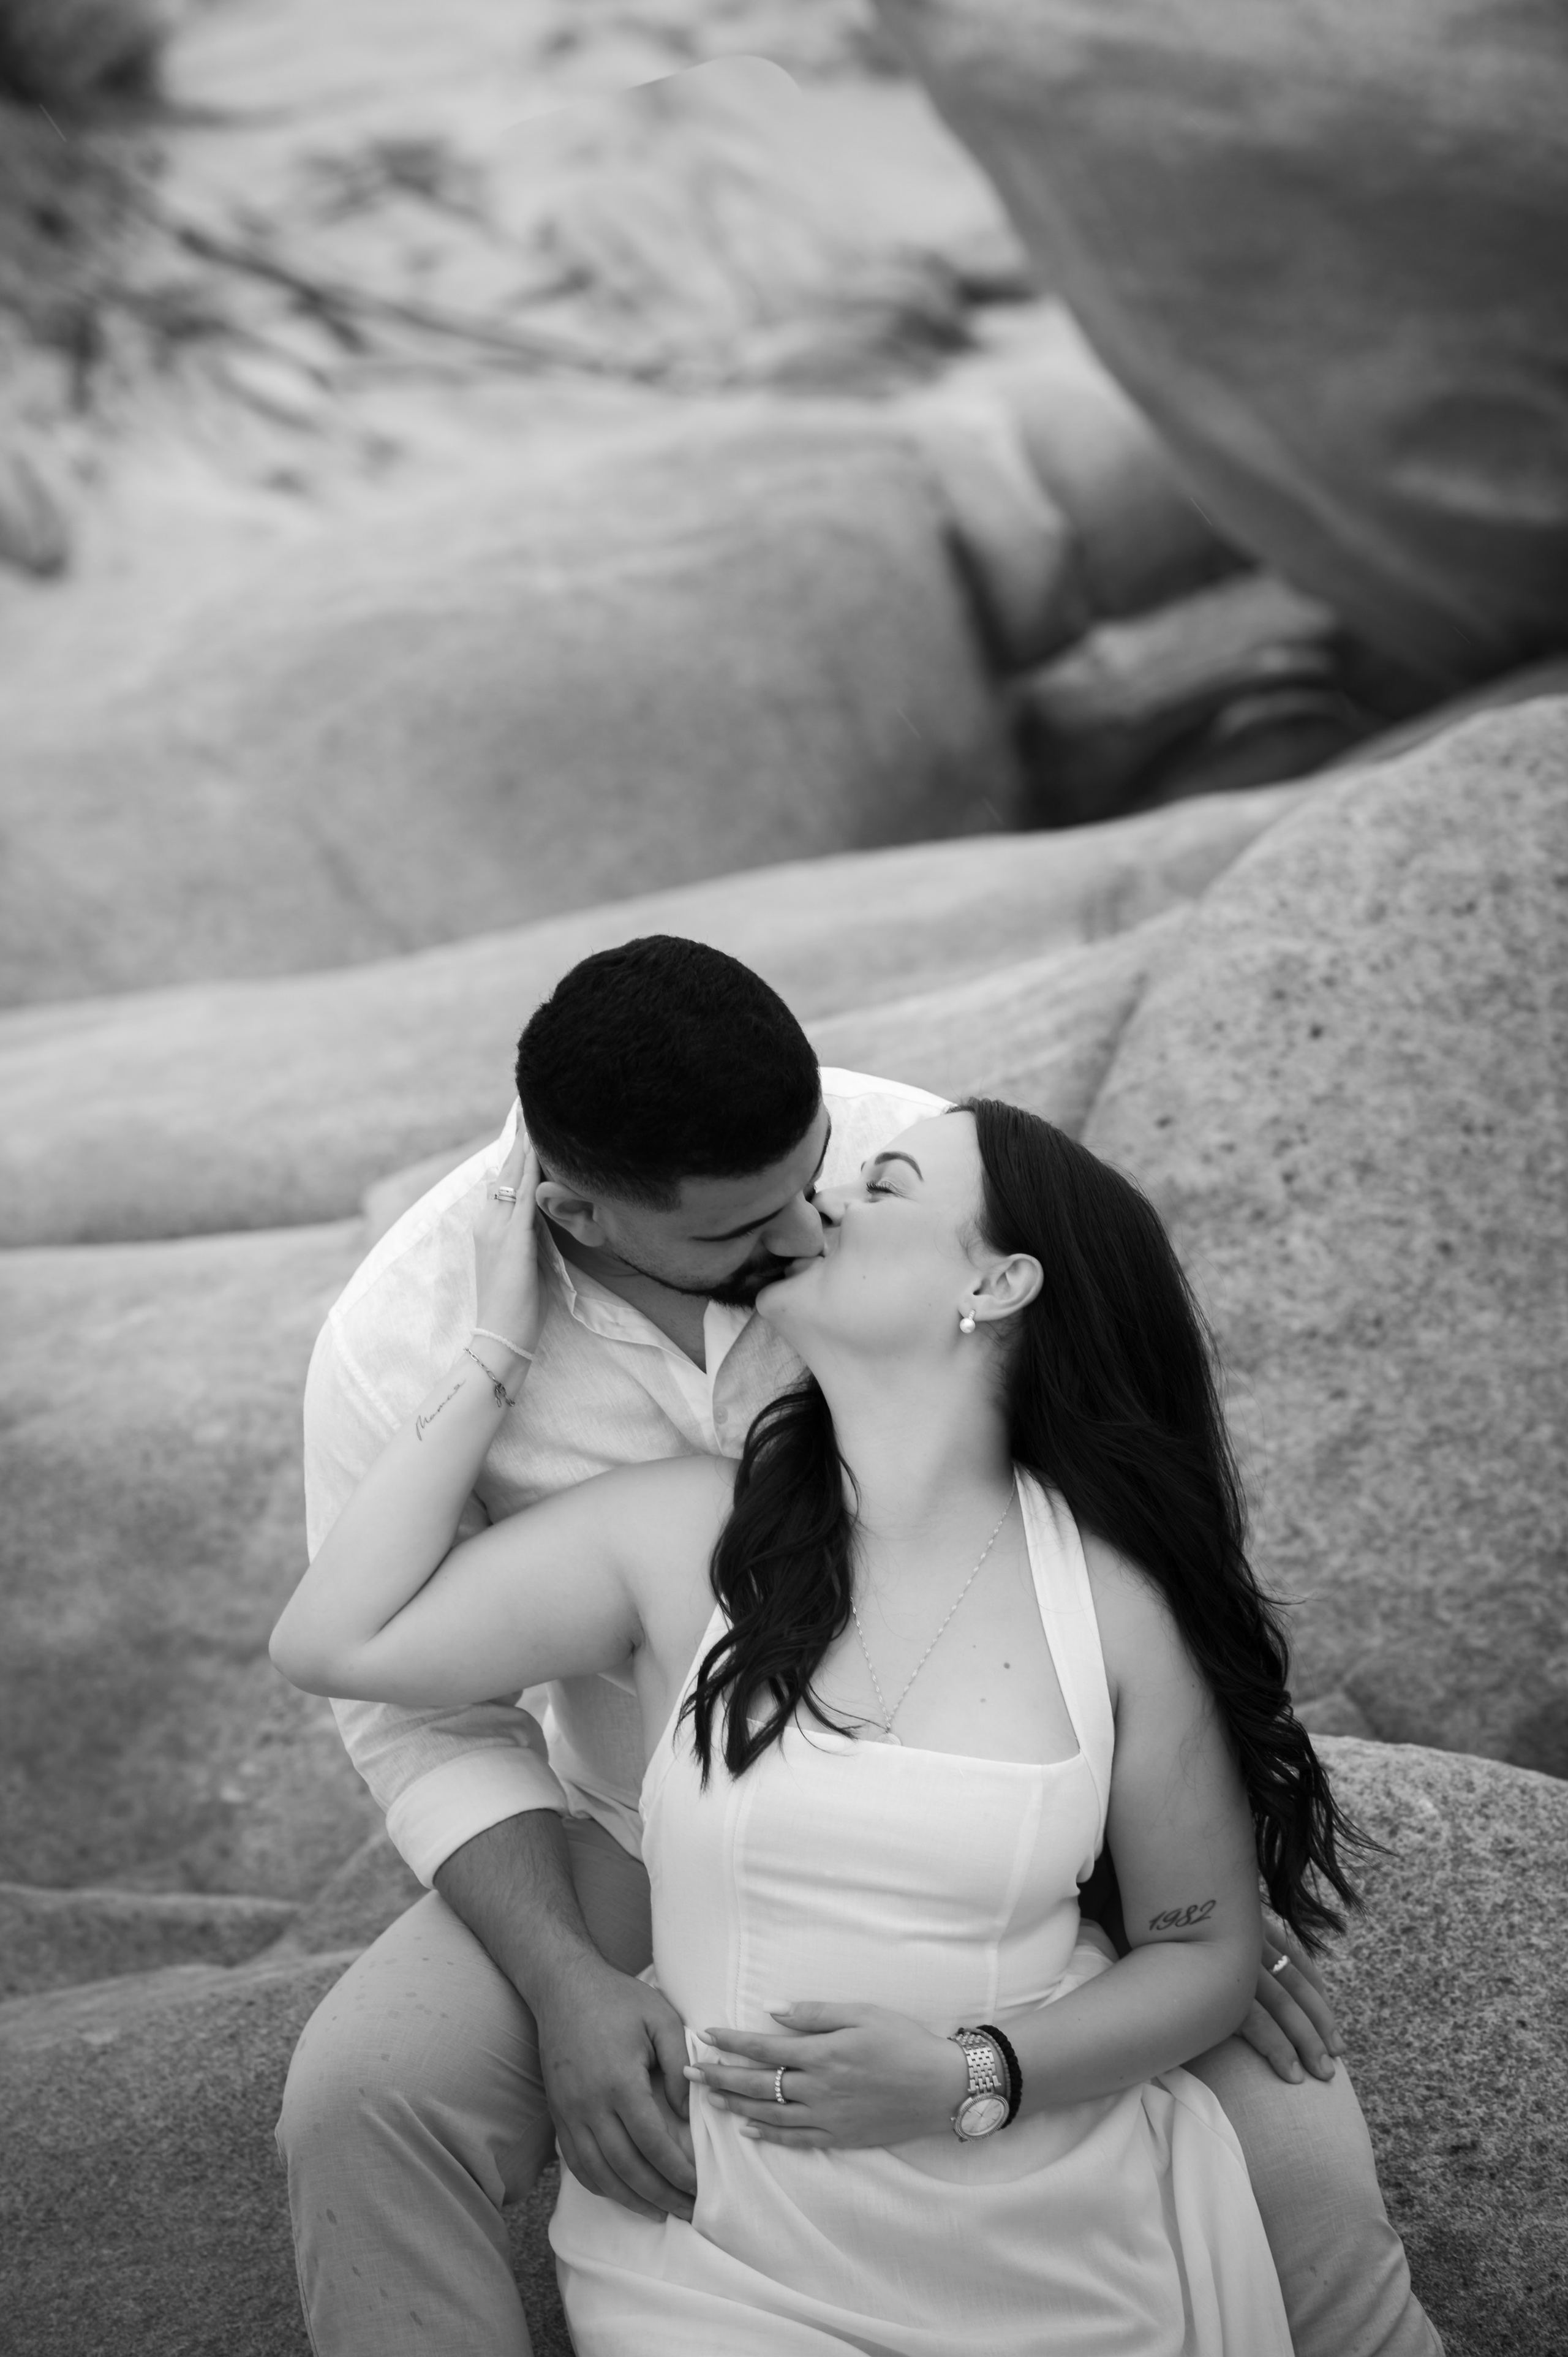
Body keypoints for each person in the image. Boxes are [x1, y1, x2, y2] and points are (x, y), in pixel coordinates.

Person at [276, 937, 1441, 2355]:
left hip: (1002, 1822)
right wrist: (562, 1981)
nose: (804, 1228)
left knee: (1294, 2157)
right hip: (633, 1828)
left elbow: (1116, 1475)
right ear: (580, 1210)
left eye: (825, 1176)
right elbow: (400, 1700)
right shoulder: (409, 1335)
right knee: (362, 2100)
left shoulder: (904, 1179)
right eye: (739, 1233)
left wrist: (1189, 1897)